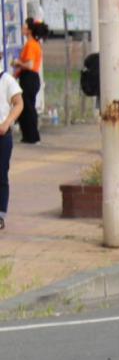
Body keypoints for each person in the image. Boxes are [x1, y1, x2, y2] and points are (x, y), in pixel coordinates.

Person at [11, 18, 45, 145]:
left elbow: (30, 65)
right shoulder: (33, 44)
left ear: (29, 30)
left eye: (24, 27)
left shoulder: (31, 45)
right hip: (30, 77)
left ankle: (32, 136)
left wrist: (17, 62)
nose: (22, 29)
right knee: (26, 106)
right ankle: (28, 136)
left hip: (29, 77)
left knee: (28, 107)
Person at [0, 64, 22, 230]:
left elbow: (18, 103)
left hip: (2, 135)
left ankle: (0, 214)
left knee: (1, 174)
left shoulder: (7, 80)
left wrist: (7, 122)